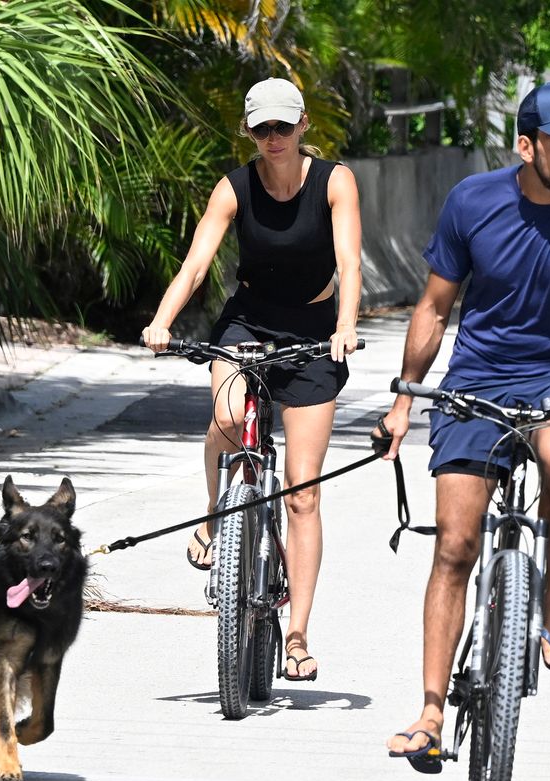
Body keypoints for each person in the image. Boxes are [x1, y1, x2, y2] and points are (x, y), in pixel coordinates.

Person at [379, 82, 550, 761]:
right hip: (475, 378)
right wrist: (405, 401)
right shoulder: (473, 203)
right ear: (525, 145)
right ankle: (431, 712)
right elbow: (435, 307)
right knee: (454, 545)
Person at [142, 77, 362, 682]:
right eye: (261, 128)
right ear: (248, 130)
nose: (272, 139)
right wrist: (162, 320)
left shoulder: (334, 182)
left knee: (303, 491)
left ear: (301, 127)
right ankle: (214, 514)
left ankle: (296, 635)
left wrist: (345, 323)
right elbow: (196, 264)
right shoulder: (234, 187)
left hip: (316, 329)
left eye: (282, 128)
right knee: (229, 416)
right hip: (249, 321)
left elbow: (348, 261)